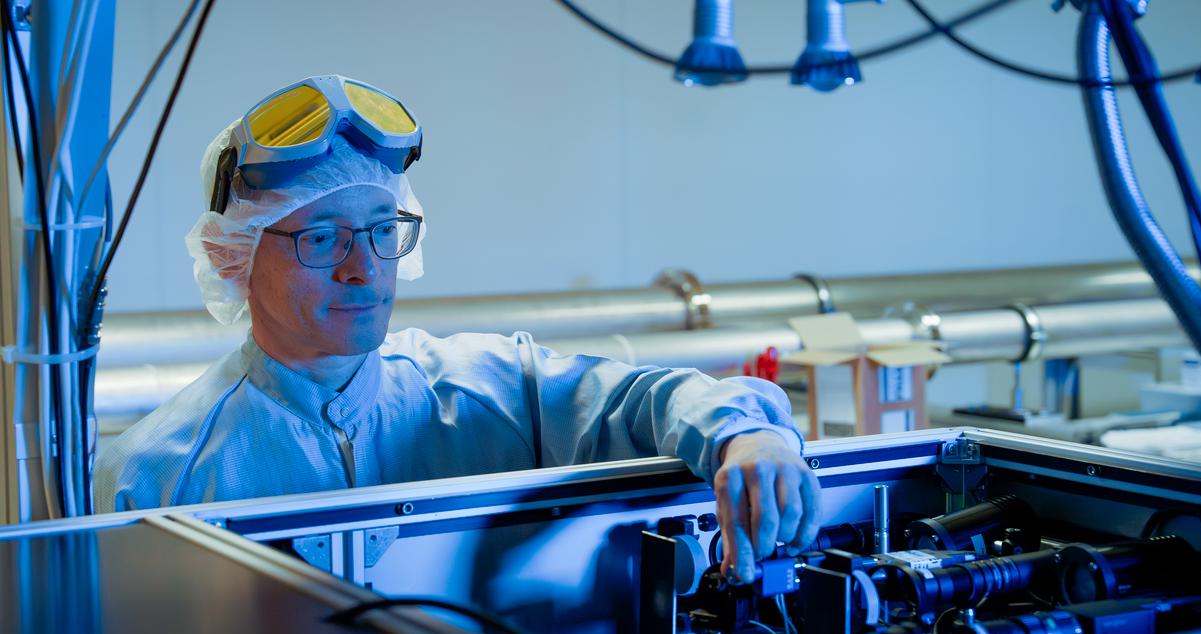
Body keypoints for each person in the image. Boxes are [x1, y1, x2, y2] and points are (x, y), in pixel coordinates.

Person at [94, 75, 819, 583]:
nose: (362, 269)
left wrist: (744, 432)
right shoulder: (155, 475)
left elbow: (643, 400)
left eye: (382, 231)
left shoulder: (487, 386)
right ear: (236, 257)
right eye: (321, 239)